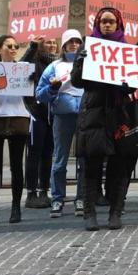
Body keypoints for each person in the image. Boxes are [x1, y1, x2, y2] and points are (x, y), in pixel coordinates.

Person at [71, 7, 138, 231]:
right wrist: (82, 61)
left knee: (120, 165)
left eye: (111, 21)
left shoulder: (126, 49)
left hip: (120, 113)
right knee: (91, 164)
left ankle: (115, 213)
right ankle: (89, 213)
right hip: (94, 112)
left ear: (119, 24)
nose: (107, 25)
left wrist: (129, 76)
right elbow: (77, 82)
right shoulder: (87, 47)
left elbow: (134, 85)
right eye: (103, 22)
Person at [0, 35, 42, 226]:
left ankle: (16, 208)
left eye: (15, 46)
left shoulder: (22, 69)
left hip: (18, 120)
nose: (13, 49)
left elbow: (31, 101)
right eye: (9, 46)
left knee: (16, 167)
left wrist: (31, 82)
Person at [36, 29, 86, 218]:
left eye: (77, 41)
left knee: (84, 160)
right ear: (63, 45)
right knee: (59, 160)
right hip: (62, 117)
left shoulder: (87, 65)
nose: (74, 44)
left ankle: (80, 198)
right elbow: (40, 94)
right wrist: (52, 89)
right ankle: (57, 199)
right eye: (70, 42)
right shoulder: (54, 66)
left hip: (84, 116)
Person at [25, 35, 57, 211]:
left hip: (52, 113)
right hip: (35, 112)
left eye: (54, 42)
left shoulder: (58, 63)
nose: (52, 45)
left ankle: (44, 191)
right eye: (48, 43)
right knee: (34, 153)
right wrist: (32, 47)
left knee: (47, 153)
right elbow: (19, 67)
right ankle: (31, 193)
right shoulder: (34, 62)